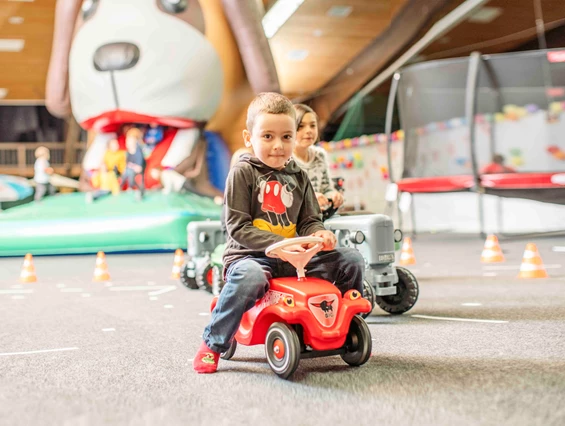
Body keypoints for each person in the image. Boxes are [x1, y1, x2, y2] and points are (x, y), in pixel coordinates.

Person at [192, 92, 365, 374]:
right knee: (251, 277)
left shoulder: (299, 176)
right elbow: (237, 227)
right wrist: (280, 243)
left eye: (286, 137)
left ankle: (339, 322)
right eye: (268, 136)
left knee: (351, 259)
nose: (278, 145)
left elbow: (310, 220)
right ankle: (212, 343)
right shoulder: (242, 173)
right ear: (249, 138)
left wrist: (319, 233)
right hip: (251, 257)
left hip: (295, 258)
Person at [292, 104, 344, 211]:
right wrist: (311, 198)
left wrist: (334, 195)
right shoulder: (284, 159)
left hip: (318, 219)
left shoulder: (320, 155)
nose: (308, 131)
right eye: (301, 126)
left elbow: (326, 189)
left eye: (312, 125)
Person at [150, 166, 222, 205]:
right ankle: (214, 199)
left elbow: (170, 186)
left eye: (154, 173)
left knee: (198, 193)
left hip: (183, 184)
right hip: (183, 184)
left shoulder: (164, 174)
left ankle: (215, 198)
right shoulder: (164, 175)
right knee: (196, 193)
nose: (154, 175)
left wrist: (165, 192)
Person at [85, 138, 125, 203]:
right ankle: (96, 194)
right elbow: (103, 163)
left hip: (117, 173)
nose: (116, 145)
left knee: (110, 183)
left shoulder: (121, 154)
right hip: (108, 175)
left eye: (116, 144)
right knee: (103, 184)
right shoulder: (107, 153)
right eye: (114, 144)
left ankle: (99, 193)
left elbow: (122, 166)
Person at [122, 128, 146, 200]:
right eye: (127, 139)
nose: (127, 141)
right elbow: (127, 163)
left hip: (138, 169)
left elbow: (139, 165)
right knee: (126, 173)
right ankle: (127, 187)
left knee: (130, 173)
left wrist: (132, 166)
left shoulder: (138, 150)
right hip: (131, 169)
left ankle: (138, 191)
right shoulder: (128, 151)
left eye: (129, 139)